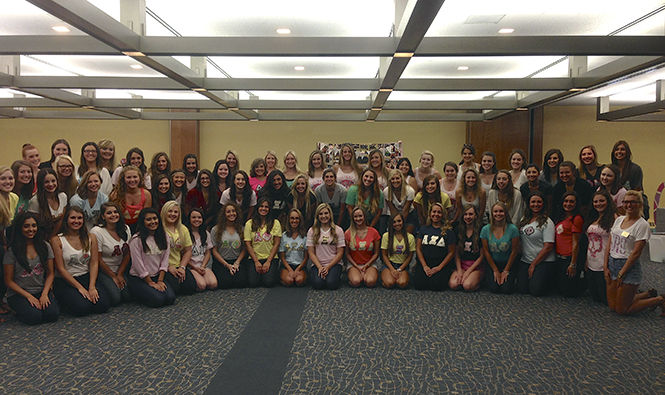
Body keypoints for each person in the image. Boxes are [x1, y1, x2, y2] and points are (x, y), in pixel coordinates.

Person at [605, 190, 665, 316]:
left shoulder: (642, 225)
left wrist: (622, 273)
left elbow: (636, 253)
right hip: (612, 262)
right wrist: (605, 266)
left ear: (640, 204)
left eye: (633, 202)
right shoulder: (618, 220)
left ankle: (659, 300)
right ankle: (647, 294)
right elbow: (609, 245)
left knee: (622, 310)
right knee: (612, 306)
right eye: (626, 202)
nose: (629, 205)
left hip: (628, 266)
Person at [51, 206, 111, 316]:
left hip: (86, 277)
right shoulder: (57, 240)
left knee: (103, 305)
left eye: (79, 218)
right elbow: (60, 269)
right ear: (66, 220)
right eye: (73, 218)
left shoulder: (91, 237)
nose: (76, 221)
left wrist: (92, 286)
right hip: (67, 281)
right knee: (82, 308)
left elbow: (94, 263)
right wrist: (80, 288)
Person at [3, 212, 59, 325]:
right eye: (26, 226)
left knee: (52, 315)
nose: (31, 229)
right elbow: (8, 281)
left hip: (40, 290)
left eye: (34, 226)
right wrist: (29, 296)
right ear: (20, 228)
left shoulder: (45, 246)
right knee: (34, 318)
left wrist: (44, 294)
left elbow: (50, 274)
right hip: (19, 294)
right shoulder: (12, 250)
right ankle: (14, 308)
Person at [127, 208, 175, 308]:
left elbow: (165, 261)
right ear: (142, 222)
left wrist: (160, 281)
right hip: (140, 278)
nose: (153, 222)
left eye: (155, 219)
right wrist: (150, 282)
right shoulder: (136, 240)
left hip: (157, 276)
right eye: (148, 219)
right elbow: (138, 265)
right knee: (158, 300)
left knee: (170, 298)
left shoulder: (164, 236)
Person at [90, 202, 132, 306]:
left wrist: (120, 274)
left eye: (115, 212)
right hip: (103, 271)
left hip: (120, 269)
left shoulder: (125, 228)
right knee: (116, 298)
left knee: (128, 296)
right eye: (109, 213)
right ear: (103, 216)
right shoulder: (97, 231)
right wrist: (113, 276)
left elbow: (127, 255)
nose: (113, 215)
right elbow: (98, 260)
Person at [517, 192, 555, 296]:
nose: (536, 204)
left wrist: (534, 264)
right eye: (533, 202)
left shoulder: (547, 222)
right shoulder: (524, 219)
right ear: (529, 204)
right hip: (526, 260)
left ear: (543, 204)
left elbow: (548, 247)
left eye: (539, 202)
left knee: (536, 291)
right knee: (522, 289)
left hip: (543, 261)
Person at [414, 202, 456, 291]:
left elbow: (451, 252)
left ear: (443, 214)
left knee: (437, 286)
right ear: (430, 214)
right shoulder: (423, 229)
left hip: (440, 264)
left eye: (439, 212)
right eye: (434, 212)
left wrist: (439, 267)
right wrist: (425, 266)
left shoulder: (449, 231)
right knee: (419, 285)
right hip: (425, 262)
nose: (436, 214)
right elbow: (418, 248)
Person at [585, 191, 617, 304]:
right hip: (592, 261)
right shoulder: (593, 217)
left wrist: (607, 265)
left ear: (608, 202)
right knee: (596, 298)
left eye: (601, 201)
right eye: (595, 201)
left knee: (607, 300)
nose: (598, 204)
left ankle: (647, 296)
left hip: (605, 262)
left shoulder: (614, 218)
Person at [481, 202, 519, 294]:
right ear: (492, 213)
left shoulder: (513, 229)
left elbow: (514, 251)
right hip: (493, 263)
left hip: (508, 263)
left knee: (506, 290)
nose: (498, 214)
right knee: (494, 289)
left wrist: (506, 270)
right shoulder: (485, 229)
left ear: (505, 213)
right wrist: (495, 270)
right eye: (495, 211)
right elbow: (486, 251)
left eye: (501, 211)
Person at [244, 198, 282, 287]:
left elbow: (276, 243)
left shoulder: (275, 223)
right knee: (253, 283)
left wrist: (268, 261)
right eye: (261, 206)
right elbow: (248, 244)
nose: (263, 209)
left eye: (266, 207)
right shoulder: (249, 223)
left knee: (269, 283)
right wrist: (256, 262)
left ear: (270, 209)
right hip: (254, 258)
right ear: (257, 208)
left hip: (270, 258)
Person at [161, 201, 196, 295]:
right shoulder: (159, 229)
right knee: (175, 288)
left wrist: (182, 267)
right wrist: (168, 267)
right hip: (163, 267)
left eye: (176, 212)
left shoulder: (183, 229)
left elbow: (188, 251)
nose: (173, 214)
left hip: (178, 264)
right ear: (164, 212)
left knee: (191, 288)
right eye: (170, 211)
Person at [307, 203, 345, 290]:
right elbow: (311, 252)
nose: (323, 216)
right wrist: (320, 267)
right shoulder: (312, 230)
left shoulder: (338, 230)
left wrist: (328, 267)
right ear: (317, 216)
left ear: (330, 214)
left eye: (326, 213)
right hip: (318, 264)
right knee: (318, 284)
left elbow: (340, 253)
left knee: (331, 284)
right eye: (320, 214)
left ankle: (335, 275)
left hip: (334, 263)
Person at [554, 191, 585, 297]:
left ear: (576, 204)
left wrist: (573, 263)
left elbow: (576, 242)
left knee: (569, 292)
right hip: (559, 257)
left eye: (571, 202)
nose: (568, 204)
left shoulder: (577, 219)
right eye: (566, 201)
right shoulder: (561, 217)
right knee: (558, 290)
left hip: (569, 258)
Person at [211, 202, 248, 289]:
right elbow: (214, 250)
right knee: (225, 284)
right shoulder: (216, 229)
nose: (231, 214)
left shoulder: (242, 229)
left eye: (233, 211)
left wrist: (237, 263)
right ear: (224, 214)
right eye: (228, 212)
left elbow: (244, 249)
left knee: (241, 283)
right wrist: (226, 265)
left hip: (237, 261)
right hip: (222, 262)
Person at [449, 205, 484, 292]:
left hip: (476, 266)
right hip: (462, 264)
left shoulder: (481, 230)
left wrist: (468, 272)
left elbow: (482, 256)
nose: (468, 217)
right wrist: (460, 270)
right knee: (453, 285)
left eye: (471, 214)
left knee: (467, 286)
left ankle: (479, 280)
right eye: (465, 214)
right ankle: (466, 277)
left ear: (476, 216)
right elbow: (456, 253)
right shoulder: (458, 230)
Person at [345, 207, 380, 288]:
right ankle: (354, 275)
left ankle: (366, 274)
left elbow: (376, 253)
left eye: (360, 216)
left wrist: (367, 265)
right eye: (355, 217)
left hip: (370, 263)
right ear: (352, 218)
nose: (358, 219)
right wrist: (356, 266)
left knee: (370, 282)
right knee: (356, 282)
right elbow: (347, 254)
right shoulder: (348, 233)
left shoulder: (374, 232)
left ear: (364, 217)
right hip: (354, 264)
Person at [110, 165, 152, 231]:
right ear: (123, 179)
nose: (132, 180)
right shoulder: (116, 195)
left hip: (140, 230)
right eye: (128, 177)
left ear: (140, 178)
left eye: (135, 177)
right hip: (120, 229)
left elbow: (146, 217)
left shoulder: (146, 194)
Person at [28, 168, 68, 238]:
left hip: (59, 236)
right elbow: (35, 226)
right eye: (46, 182)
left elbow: (61, 220)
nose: (51, 184)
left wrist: (53, 238)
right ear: (41, 184)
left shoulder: (63, 196)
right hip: (41, 237)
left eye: (53, 181)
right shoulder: (35, 201)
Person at [380, 213, 414, 289]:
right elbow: (384, 255)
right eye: (394, 222)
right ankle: (385, 277)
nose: (397, 224)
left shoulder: (410, 237)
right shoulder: (386, 236)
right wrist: (392, 269)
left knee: (402, 284)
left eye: (399, 221)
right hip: (389, 265)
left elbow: (410, 256)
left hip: (402, 265)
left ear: (403, 222)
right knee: (389, 283)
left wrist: (400, 269)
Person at [186, 208, 217, 291]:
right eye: (194, 217)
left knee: (213, 284)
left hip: (203, 266)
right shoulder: (186, 233)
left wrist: (203, 266)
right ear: (189, 219)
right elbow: (183, 256)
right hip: (191, 267)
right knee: (202, 285)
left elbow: (207, 252)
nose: (197, 220)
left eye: (199, 217)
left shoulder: (206, 233)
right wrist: (195, 268)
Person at [279, 208, 308, 287]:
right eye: (292, 218)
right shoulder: (284, 236)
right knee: (289, 281)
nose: (294, 221)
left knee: (299, 280)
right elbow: (282, 257)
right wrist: (290, 270)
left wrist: (298, 269)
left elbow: (306, 258)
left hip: (300, 265)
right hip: (287, 265)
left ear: (300, 220)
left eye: (297, 218)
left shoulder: (305, 236)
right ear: (288, 220)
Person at [382, 169, 416, 234]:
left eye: (397, 178)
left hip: (409, 214)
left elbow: (405, 210)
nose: (395, 181)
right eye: (393, 179)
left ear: (401, 179)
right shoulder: (386, 191)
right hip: (393, 215)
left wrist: (400, 225)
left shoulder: (410, 191)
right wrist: (397, 224)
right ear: (390, 180)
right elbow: (392, 210)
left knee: (406, 234)